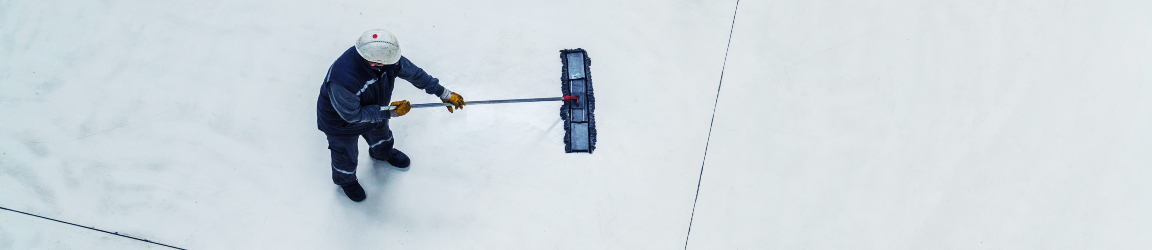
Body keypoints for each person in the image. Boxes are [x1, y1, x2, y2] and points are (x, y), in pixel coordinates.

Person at [316, 29, 465, 202]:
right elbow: (352, 115)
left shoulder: (386, 57)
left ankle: (382, 154)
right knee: (345, 156)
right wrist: (390, 112)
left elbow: (415, 74)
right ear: (374, 62)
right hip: (341, 124)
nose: (395, 64)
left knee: (383, 138)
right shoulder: (342, 80)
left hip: (376, 111)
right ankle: (346, 181)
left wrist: (443, 93)